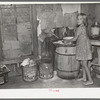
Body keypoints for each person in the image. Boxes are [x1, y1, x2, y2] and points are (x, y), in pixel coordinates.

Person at [64, 13, 93, 85]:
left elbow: (74, 39)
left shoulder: (81, 28)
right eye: (77, 19)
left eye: (80, 19)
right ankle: (84, 77)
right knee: (82, 63)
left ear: (84, 20)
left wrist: (67, 40)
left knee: (85, 64)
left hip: (84, 48)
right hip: (83, 47)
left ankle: (90, 80)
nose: (78, 20)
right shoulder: (82, 27)